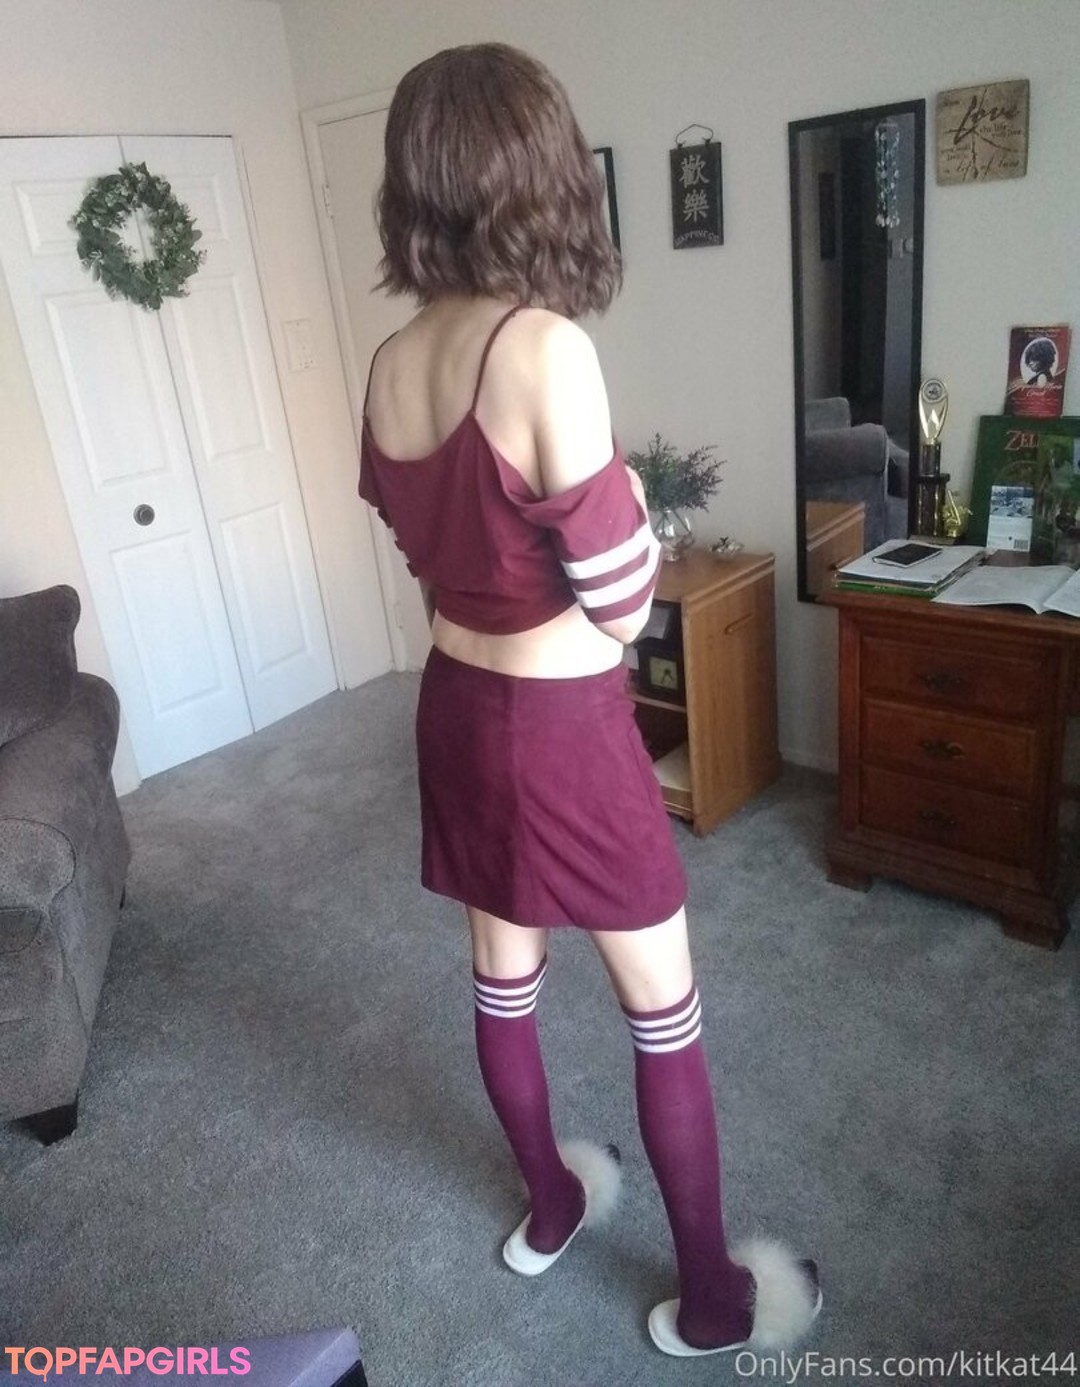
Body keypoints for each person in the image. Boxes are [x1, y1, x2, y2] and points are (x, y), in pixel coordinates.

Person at [358, 42, 820, 1358]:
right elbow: (622, 606)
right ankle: (714, 1302)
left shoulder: (392, 359)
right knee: (663, 1012)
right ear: (539, 176)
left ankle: (552, 1204)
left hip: (455, 708)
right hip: (564, 733)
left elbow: (434, 550)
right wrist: (630, 520)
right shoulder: (543, 347)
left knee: (502, 979)